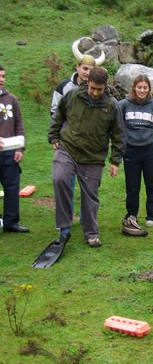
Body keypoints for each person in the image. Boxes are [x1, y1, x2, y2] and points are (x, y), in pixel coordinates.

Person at [48, 67, 124, 247]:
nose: (95, 92)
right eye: (92, 88)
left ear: (105, 86)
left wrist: (115, 160)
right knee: (59, 179)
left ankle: (91, 233)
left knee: (90, 196)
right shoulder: (73, 96)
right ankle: (64, 227)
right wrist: (53, 136)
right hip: (68, 148)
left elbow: (119, 134)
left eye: (99, 89)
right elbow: (58, 115)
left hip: (93, 157)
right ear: (87, 82)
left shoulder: (112, 105)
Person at [119, 75, 153, 236]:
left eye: (145, 88)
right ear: (134, 88)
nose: (142, 90)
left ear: (149, 89)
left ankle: (151, 216)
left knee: (152, 185)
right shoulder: (125, 104)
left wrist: (150, 131)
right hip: (131, 151)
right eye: (139, 87)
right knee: (132, 186)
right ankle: (131, 214)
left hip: (150, 151)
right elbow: (115, 119)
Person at [0, 65, 29, 233]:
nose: (1, 79)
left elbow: (19, 125)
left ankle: (11, 223)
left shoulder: (12, 99)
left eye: (3, 76)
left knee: (12, 188)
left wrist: (20, 148)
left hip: (11, 152)